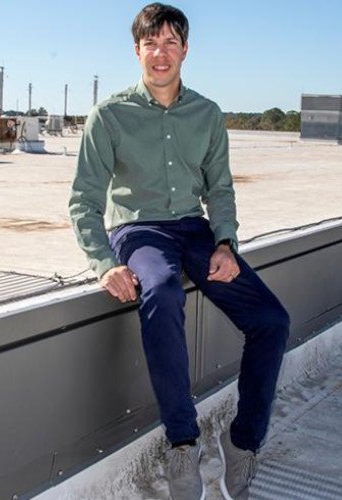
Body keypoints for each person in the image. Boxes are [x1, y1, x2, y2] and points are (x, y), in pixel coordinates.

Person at [68, 3, 290, 499]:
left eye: (171, 43)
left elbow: (222, 190)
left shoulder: (207, 114)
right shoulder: (109, 116)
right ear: (137, 51)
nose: (161, 53)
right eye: (152, 43)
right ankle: (183, 444)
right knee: (163, 290)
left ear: (185, 50)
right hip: (138, 231)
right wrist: (104, 263)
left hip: (196, 231)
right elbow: (84, 200)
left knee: (272, 321)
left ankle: (243, 442)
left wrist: (227, 243)